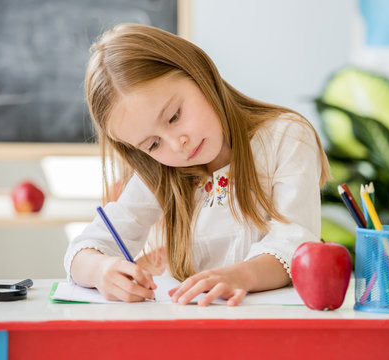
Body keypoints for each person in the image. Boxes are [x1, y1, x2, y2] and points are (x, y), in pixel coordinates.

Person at [64, 23, 331, 306]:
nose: (178, 143)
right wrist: (99, 270)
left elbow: (294, 245)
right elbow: (83, 249)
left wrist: (240, 276)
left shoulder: (285, 137)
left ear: (198, 72)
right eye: (153, 144)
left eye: (174, 116)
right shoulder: (160, 171)